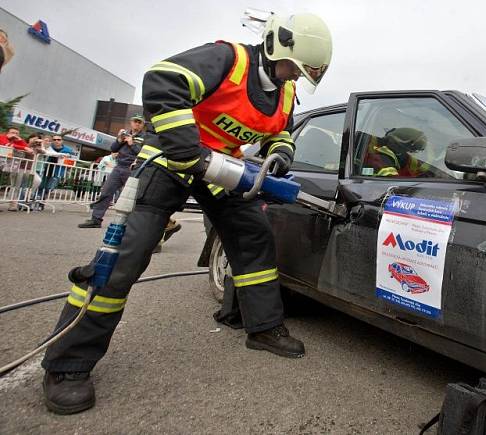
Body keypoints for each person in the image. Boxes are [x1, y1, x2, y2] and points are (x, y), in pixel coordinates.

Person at [41, 13, 332, 415]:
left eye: (299, 72)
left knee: (255, 238)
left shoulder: (284, 91)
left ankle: (262, 327)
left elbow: (279, 130)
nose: (291, 76)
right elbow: (162, 80)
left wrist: (281, 152)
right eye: (290, 66)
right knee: (127, 254)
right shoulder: (228, 60)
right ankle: (67, 364)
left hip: (221, 172)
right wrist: (185, 149)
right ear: (272, 47)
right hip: (169, 161)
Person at [78, 115, 145, 228]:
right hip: (119, 167)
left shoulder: (145, 137)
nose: (137, 124)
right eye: (135, 121)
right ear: (131, 122)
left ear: (143, 125)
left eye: (139, 122)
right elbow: (113, 149)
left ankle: (133, 224)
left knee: (133, 197)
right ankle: (96, 220)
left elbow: (142, 153)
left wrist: (132, 143)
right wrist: (119, 140)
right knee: (106, 192)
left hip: (132, 169)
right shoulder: (124, 134)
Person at [362, 127, 435, 177]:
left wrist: (431, 161)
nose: (410, 153)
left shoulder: (399, 155)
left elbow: (417, 167)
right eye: (411, 150)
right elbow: (395, 184)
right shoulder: (382, 161)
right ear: (401, 146)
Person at [39, 134, 77, 201]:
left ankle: (42, 199)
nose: (56, 141)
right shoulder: (48, 147)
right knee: (41, 186)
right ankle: (39, 201)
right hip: (45, 169)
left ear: (62, 141)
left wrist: (67, 162)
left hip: (58, 171)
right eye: (54, 140)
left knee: (50, 188)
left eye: (58, 139)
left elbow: (72, 161)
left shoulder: (68, 150)